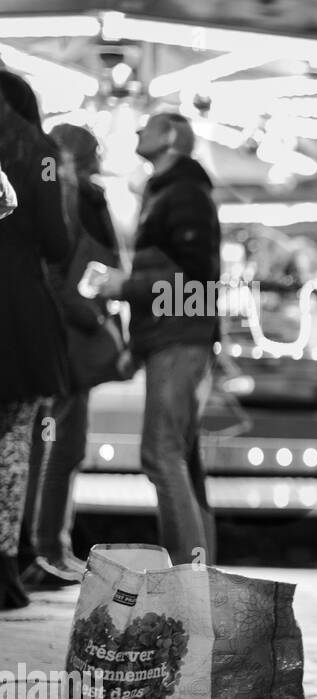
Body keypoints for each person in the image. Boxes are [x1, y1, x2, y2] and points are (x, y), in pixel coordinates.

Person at [100, 113, 221, 566]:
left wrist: (123, 287)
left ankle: (185, 575)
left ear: (170, 137)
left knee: (162, 455)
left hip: (177, 339)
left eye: (147, 126)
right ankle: (198, 569)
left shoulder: (183, 193)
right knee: (180, 458)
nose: (136, 132)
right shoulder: (175, 192)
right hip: (177, 338)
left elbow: (193, 277)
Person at [20, 124, 121, 588]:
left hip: (65, 333)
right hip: (68, 336)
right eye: (94, 146)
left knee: (59, 444)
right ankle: (45, 548)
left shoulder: (70, 193)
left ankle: (49, 547)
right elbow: (62, 269)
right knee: (57, 446)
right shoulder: (76, 196)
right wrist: (92, 319)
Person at [0, 72, 70, 608]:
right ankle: (4, 566)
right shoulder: (40, 150)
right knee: (13, 443)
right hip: (17, 313)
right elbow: (56, 239)